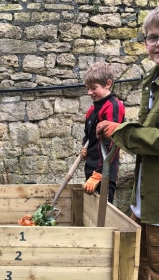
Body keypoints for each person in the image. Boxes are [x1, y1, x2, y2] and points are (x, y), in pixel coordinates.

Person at [96, 7, 159, 280]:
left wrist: (120, 132)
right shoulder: (151, 81)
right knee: (140, 271)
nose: (157, 44)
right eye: (152, 37)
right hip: (143, 204)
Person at [81, 62, 125, 203]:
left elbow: (112, 142)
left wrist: (99, 175)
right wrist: (84, 149)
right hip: (90, 168)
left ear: (108, 84)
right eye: (88, 88)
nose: (89, 92)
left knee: (103, 215)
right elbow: (88, 137)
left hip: (104, 173)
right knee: (91, 213)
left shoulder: (113, 106)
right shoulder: (91, 111)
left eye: (94, 88)